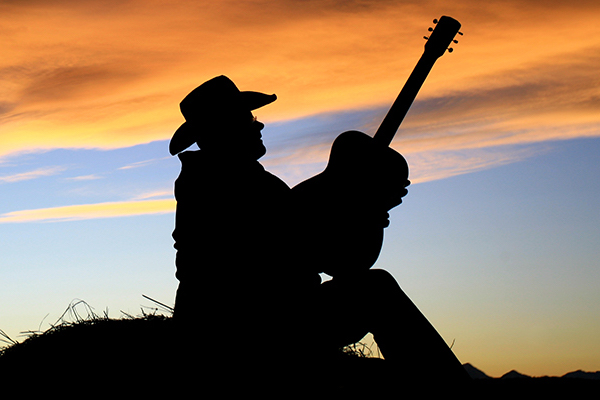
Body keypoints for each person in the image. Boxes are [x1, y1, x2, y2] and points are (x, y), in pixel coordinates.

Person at [169, 75, 470, 394]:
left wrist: (364, 210)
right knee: (376, 290)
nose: (259, 125)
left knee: (374, 288)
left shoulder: (227, 180)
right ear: (224, 128)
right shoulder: (222, 184)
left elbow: (307, 241)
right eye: (248, 118)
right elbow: (312, 252)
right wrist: (367, 209)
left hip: (256, 323)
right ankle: (450, 391)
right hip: (250, 332)